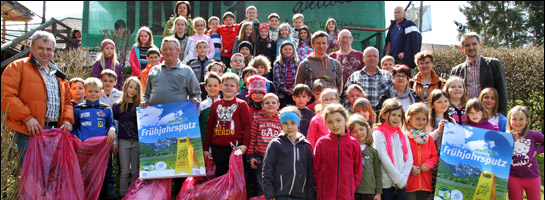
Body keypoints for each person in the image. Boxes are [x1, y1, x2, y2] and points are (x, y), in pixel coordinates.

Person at [1, 31, 73, 166]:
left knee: (50, 176)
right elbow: (6, 95)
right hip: (28, 131)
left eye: (49, 49)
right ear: (31, 47)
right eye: (40, 48)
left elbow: (68, 102)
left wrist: (68, 120)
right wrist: (27, 118)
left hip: (54, 133)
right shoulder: (17, 67)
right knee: (31, 177)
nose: (45, 52)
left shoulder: (58, 75)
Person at [72, 77, 116, 200]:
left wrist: (112, 130)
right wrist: (76, 137)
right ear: (84, 92)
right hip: (84, 150)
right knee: (84, 174)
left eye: (96, 91)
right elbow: (74, 128)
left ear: (101, 93)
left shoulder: (106, 108)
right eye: (90, 91)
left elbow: (111, 124)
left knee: (102, 175)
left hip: (102, 150)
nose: (93, 94)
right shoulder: (78, 109)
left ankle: (101, 196)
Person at [203, 72, 252, 177]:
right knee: (221, 176)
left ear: (237, 88)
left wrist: (245, 145)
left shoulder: (241, 105)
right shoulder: (215, 106)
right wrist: (206, 148)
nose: (229, 88)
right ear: (221, 87)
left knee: (237, 177)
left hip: (236, 148)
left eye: (232, 86)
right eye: (226, 85)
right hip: (218, 148)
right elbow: (209, 128)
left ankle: (237, 194)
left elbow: (247, 126)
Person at [262, 106, 315, 200]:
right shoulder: (275, 144)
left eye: (293, 123)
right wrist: (269, 195)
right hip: (279, 196)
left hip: (300, 196)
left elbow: (310, 174)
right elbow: (267, 171)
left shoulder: (306, 146)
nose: (289, 127)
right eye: (285, 123)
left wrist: (310, 196)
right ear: (281, 124)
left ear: (298, 123)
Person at [451, 32, 508, 115]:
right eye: (467, 45)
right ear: (462, 48)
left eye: (474, 44)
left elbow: (502, 93)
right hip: (466, 116)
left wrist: (502, 116)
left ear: (480, 44)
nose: (471, 47)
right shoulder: (456, 71)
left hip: (488, 115)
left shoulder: (493, 65)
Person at [314, 103, 362, 200]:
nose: (334, 125)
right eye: (330, 122)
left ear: (346, 119)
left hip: (346, 194)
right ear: (325, 123)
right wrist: (320, 186)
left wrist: (350, 187)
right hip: (325, 194)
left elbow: (357, 170)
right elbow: (316, 168)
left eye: (338, 120)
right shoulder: (322, 143)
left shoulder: (354, 144)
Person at [141, 37, 201, 107]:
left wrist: (195, 100)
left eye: (171, 49)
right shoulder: (153, 70)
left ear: (178, 51)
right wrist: (144, 101)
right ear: (161, 52)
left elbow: (196, 94)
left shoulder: (187, 71)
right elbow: (146, 95)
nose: (168, 52)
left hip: (178, 115)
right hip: (156, 115)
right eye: (165, 49)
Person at [373, 98, 413, 200]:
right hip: (386, 184)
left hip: (401, 184)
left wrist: (403, 179)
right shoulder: (378, 133)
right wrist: (398, 179)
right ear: (384, 115)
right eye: (393, 115)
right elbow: (384, 158)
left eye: (399, 116)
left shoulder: (403, 134)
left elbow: (409, 159)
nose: (396, 118)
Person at [506, 106, 544, 200]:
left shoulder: (533, 134)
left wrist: (537, 151)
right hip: (513, 177)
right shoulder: (505, 136)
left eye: (521, 119)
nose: (517, 122)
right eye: (514, 119)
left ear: (527, 120)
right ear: (509, 119)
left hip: (532, 177)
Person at [112, 77, 141, 197]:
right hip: (123, 141)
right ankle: (123, 194)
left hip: (137, 142)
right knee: (124, 171)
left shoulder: (140, 106)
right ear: (125, 88)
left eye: (135, 88)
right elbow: (115, 125)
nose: (132, 90)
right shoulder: (117, 106)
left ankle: (133, 194)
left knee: (135, 171)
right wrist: (115, 142)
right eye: (130, 87)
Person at [248, 93, 281, 196]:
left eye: (273, 103)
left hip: (277, 157)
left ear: (278, 105)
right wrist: (251, 155)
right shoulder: (257, 119)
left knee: (277, 182)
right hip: (260, 156)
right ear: (262, 106)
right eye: (267, 103)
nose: (270, 105)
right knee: (261, 184)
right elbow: (253, 138)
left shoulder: (281, 119)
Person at [404, 103, 438, 200]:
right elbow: (401, 157)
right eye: (417, 119)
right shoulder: (405, 137)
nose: (421, 122)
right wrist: (410, 167)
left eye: (424, 119)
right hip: (409, 182)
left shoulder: (428, 139)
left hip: (425, 182)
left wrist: (427, 165)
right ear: (409, 119)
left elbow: (434, 157)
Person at [426, 89, 455, 198]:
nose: (443, 104)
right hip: (432, 158)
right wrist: (438, 130)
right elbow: (427, 139)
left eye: (445, 101)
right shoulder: (428, 120)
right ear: (432, 104)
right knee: (432, 188)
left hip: (446, 160)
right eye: (439, 102)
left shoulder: (451, 121)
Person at [348, 114, 382, 200]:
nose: (358, 133)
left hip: (369, 192)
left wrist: (378, 192)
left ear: (367, 129)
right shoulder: (349, 150)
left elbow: (377, 172)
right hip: (353, 191)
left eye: (361, 129)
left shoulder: (372, 151)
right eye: (354, 131)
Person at [274, 41, 300, 107]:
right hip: (281, 93)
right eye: (285, 49)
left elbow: (299, 77)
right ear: (281, 51)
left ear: (293, 50)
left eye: (290, 49)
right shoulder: (278, 63)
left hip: (294, 92)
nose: (287, 51)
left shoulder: (297, 62)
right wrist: (285, 89)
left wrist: (292, 89)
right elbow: (277, 78)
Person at [198, 72, 222, 141]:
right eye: (210, 86)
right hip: (204, 140)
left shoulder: (224, 104)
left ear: (220, 87)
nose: (212, 88)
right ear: (205, 87)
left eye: (215, 86)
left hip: (219, 142)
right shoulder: (201, 105)